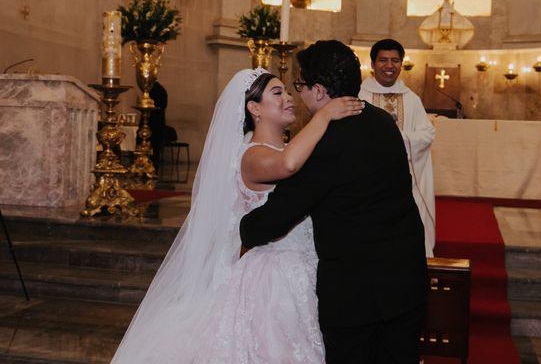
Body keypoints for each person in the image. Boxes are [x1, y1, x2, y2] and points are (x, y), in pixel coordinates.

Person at [111, 68, 363, 363]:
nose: (289, 99)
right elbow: (288, 165)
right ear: (254, 108)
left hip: (306, 268)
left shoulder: (285, 147)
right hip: (273, 279)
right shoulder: (253, 155)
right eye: (277, 93)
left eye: (288, 91)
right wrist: (322, 116)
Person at [241, 40, 427, 364]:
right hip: (406, 279)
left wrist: (245, 228)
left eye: (300, 86)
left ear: (318, 90)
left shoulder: (325, 140)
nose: (297, 96)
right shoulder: (384, 122)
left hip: (356, 293)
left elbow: (280, 214)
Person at [359, 39, 436, 257]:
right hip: (367, 179)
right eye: (383, 60)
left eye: (395, 60)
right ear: (372, 64)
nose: (389, 66)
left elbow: (428, 133)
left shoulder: (412, 100)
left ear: (401, 64)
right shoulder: (359, 95)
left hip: (406, 179)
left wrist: (397, 139)